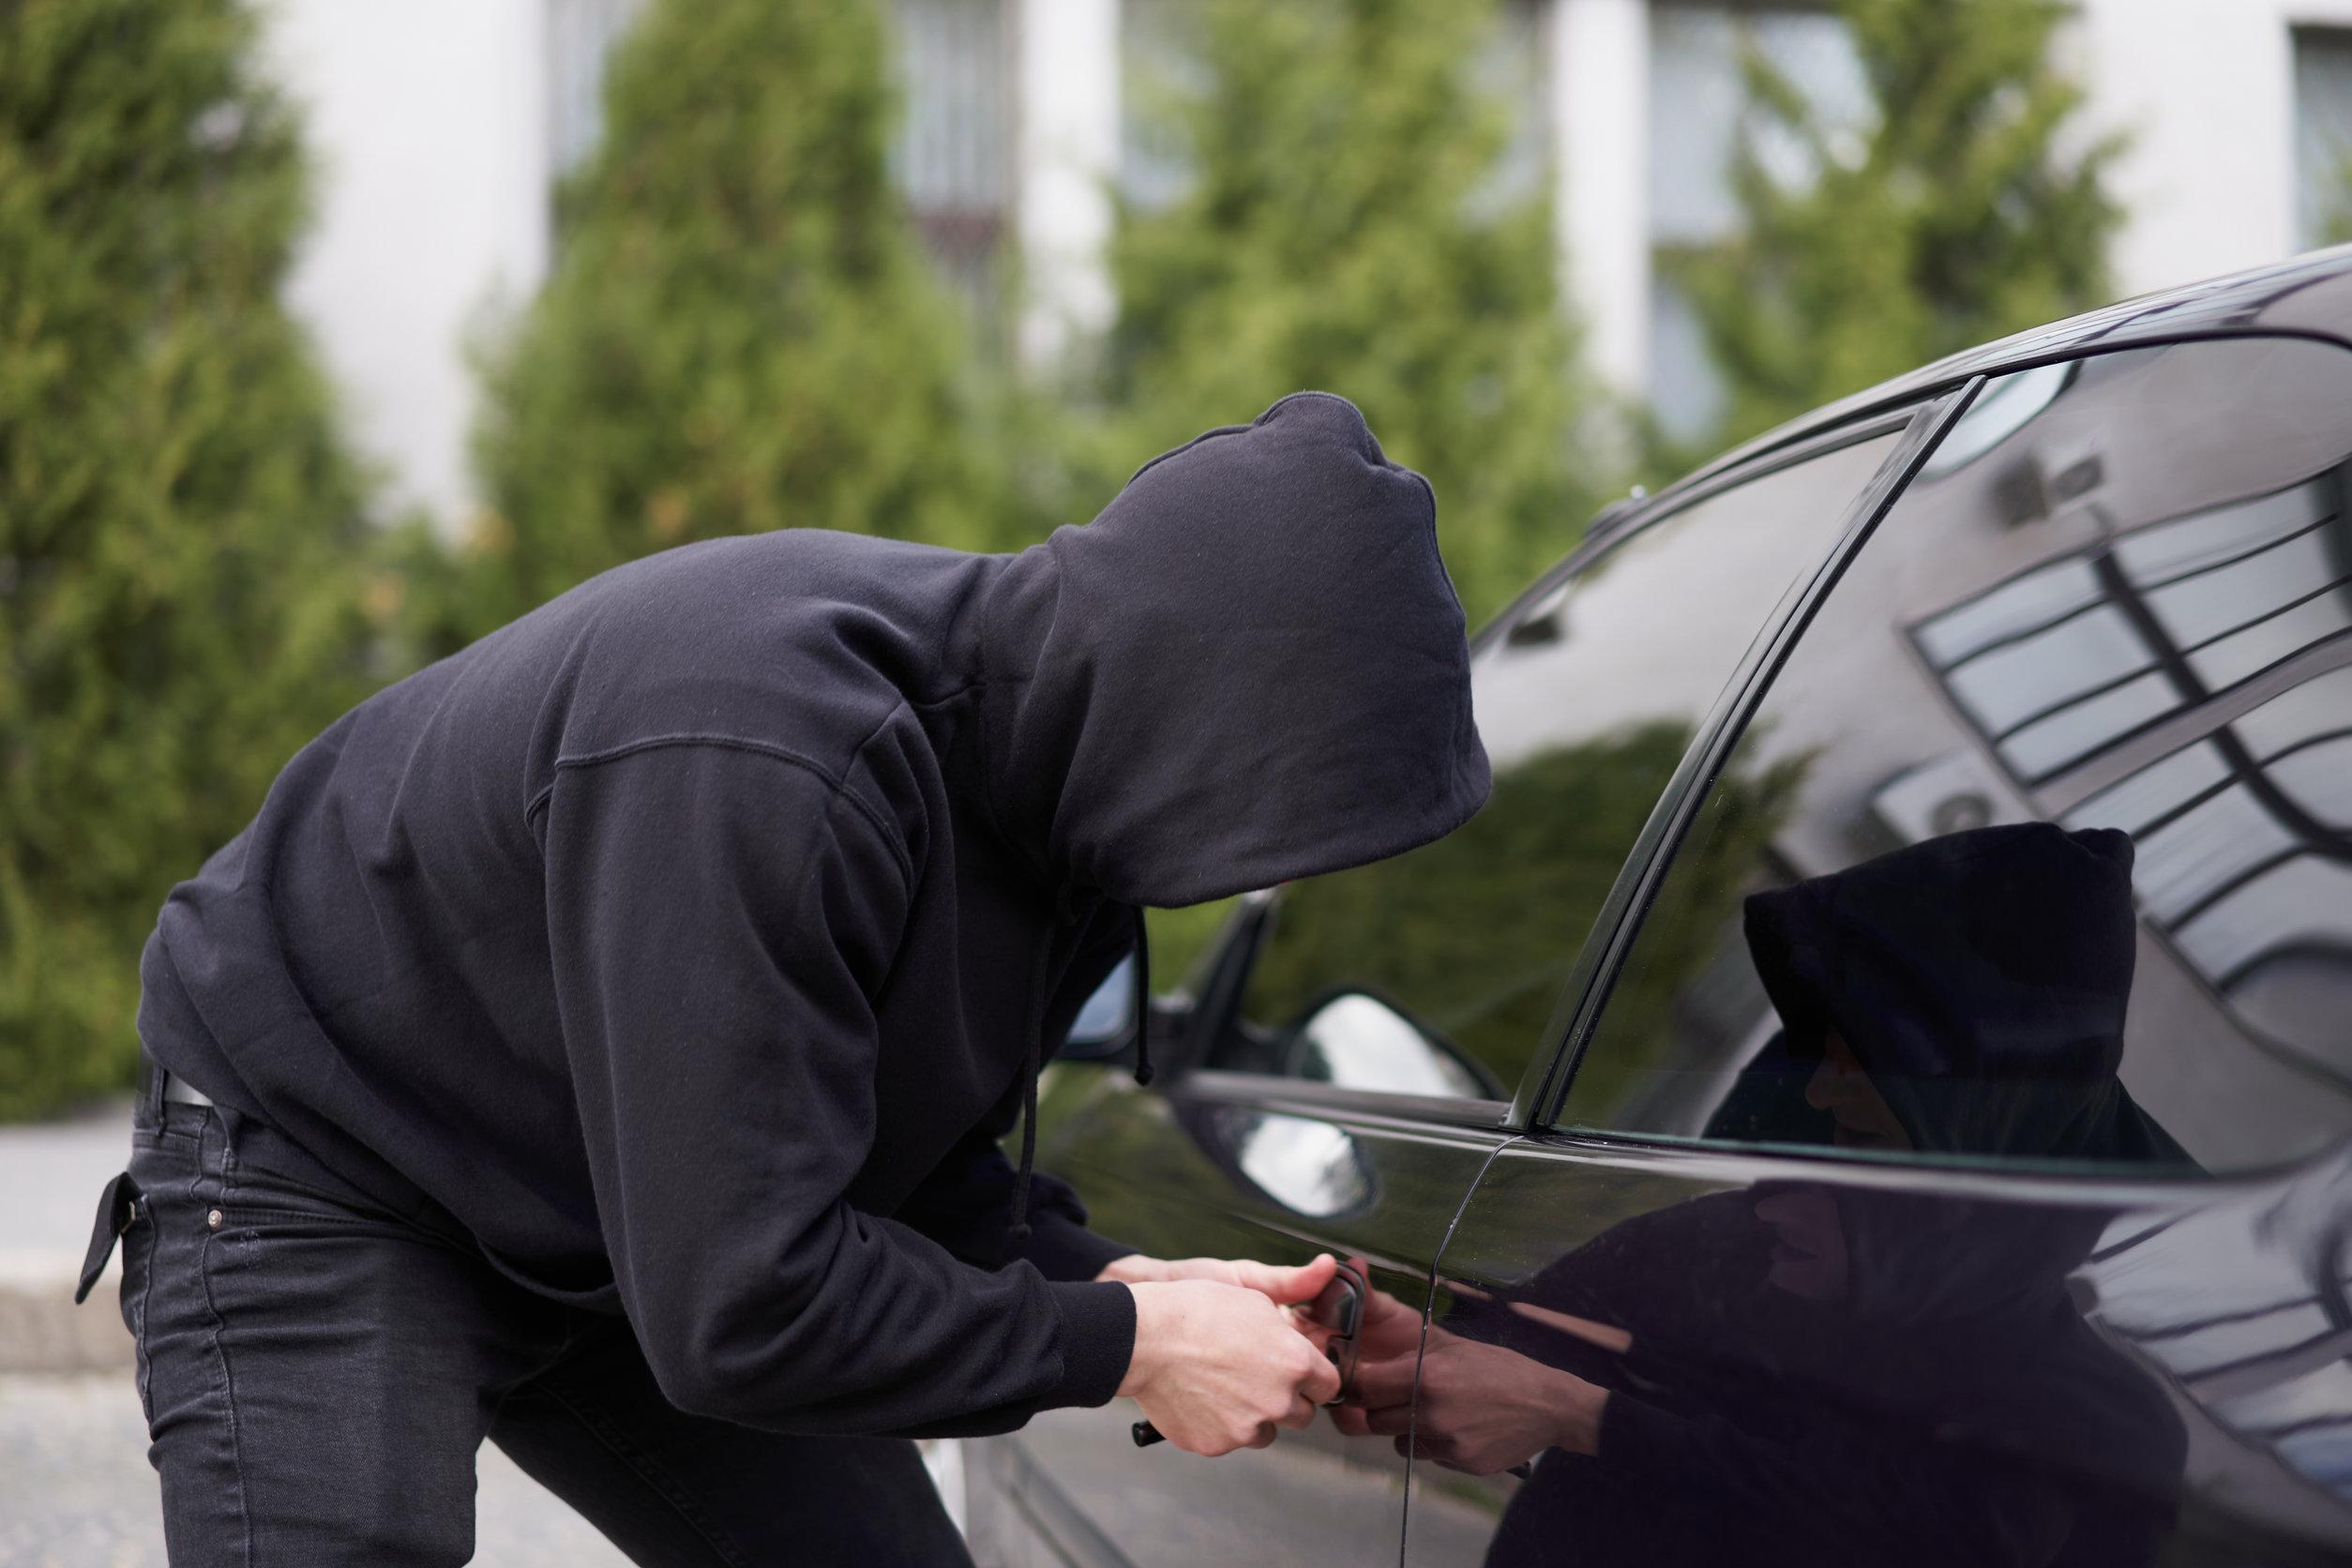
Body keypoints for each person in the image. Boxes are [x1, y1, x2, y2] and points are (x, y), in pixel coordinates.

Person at [81, 391, 1491, 1565]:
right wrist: (1129, 1344)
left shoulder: (1057, 810)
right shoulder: (770, 759)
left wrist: (1121, 1276)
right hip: (335, 1153)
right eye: (1286, 811)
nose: (1270, 867)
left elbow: (886, 1174)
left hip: (662, 1196)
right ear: (1198, 713)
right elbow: (747, 1307)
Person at [1334, 823, 2189, 1566]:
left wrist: (1581, 1415)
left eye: (1863, 1049)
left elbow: (1927, 1536)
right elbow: (1517, 1345)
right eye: (1822, 1043)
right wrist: (1410, 1356)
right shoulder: (1745, 1238)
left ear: (1963, 1085)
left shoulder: (2105, 1427)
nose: (1819, 1091)